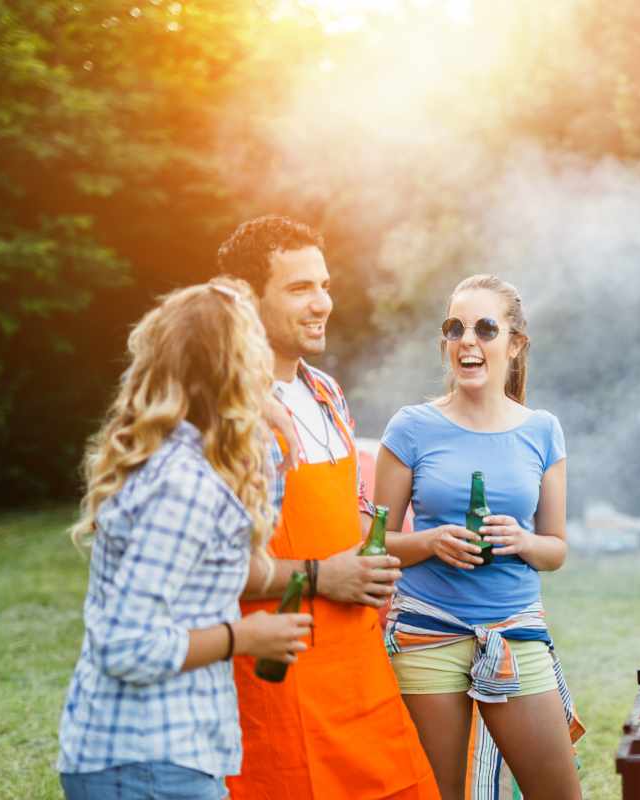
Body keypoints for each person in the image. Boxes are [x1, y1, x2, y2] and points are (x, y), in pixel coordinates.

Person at [57, 278, 313, 799]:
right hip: (148, 759)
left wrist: (273, 443)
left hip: (145, 755)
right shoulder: (184, 485)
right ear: (238, 367)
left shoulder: (175, 457)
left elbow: (237, 546)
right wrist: (244, 637)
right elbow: (125, 646)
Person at [217, 216, 439, 800]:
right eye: (299, 288)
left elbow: (355, 522)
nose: (321, 304)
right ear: (246, 298)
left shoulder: (328, 394)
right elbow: (208, 566)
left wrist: (431, 546)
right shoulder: (226, 412)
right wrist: (324, 577)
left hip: (359, 673)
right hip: (277, 685)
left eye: (324, 285)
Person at [374, 274, 583, 800]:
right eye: (455, 328)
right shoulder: (411, 428)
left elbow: (555, 548)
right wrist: (430, 542)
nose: (467, 340)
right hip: (426, 631)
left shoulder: (542, 430)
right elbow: (368, 541)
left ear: (514, 344)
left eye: (485, 328)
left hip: (515, 632)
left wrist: (521, 540)